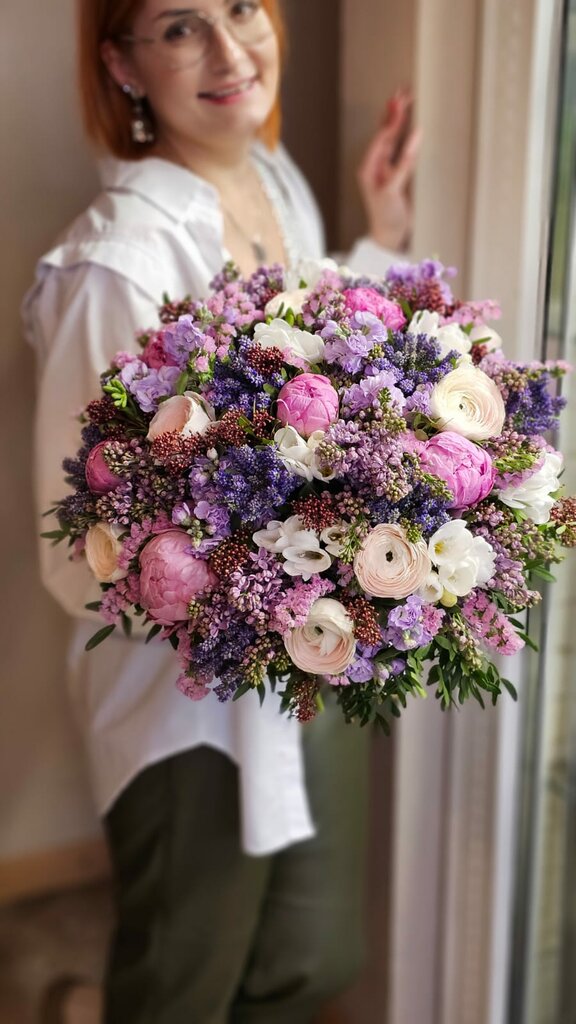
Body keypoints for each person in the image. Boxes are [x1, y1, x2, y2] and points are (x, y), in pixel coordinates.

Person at [23, 2, 419, 1021]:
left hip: (309, 648)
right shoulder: (118, 265)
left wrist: (378, 241)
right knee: (185, 979)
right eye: (181, 26)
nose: (233, 50)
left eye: (242, 7)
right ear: (122, 64)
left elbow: (318, 373)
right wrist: (246, 573)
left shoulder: (275, 181)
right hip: (183, 700)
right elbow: (77, 552)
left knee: (312, 957)